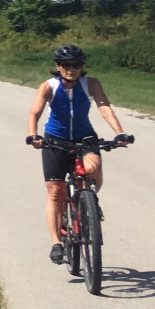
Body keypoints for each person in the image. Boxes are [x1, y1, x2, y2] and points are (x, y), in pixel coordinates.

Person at [25, 44, 133, 264]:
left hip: (85, 138)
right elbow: (35, 112)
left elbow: (104, 107)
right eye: (66, 65)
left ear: (82, 66)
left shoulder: (90, 84)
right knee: (56, 192)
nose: (71, 69)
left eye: (76, 65)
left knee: (92, 170)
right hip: (55, 140)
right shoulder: (49, 86)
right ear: (58, 66)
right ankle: (56, 242)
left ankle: (88, 203)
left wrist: (119, 133)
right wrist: (34, 135)